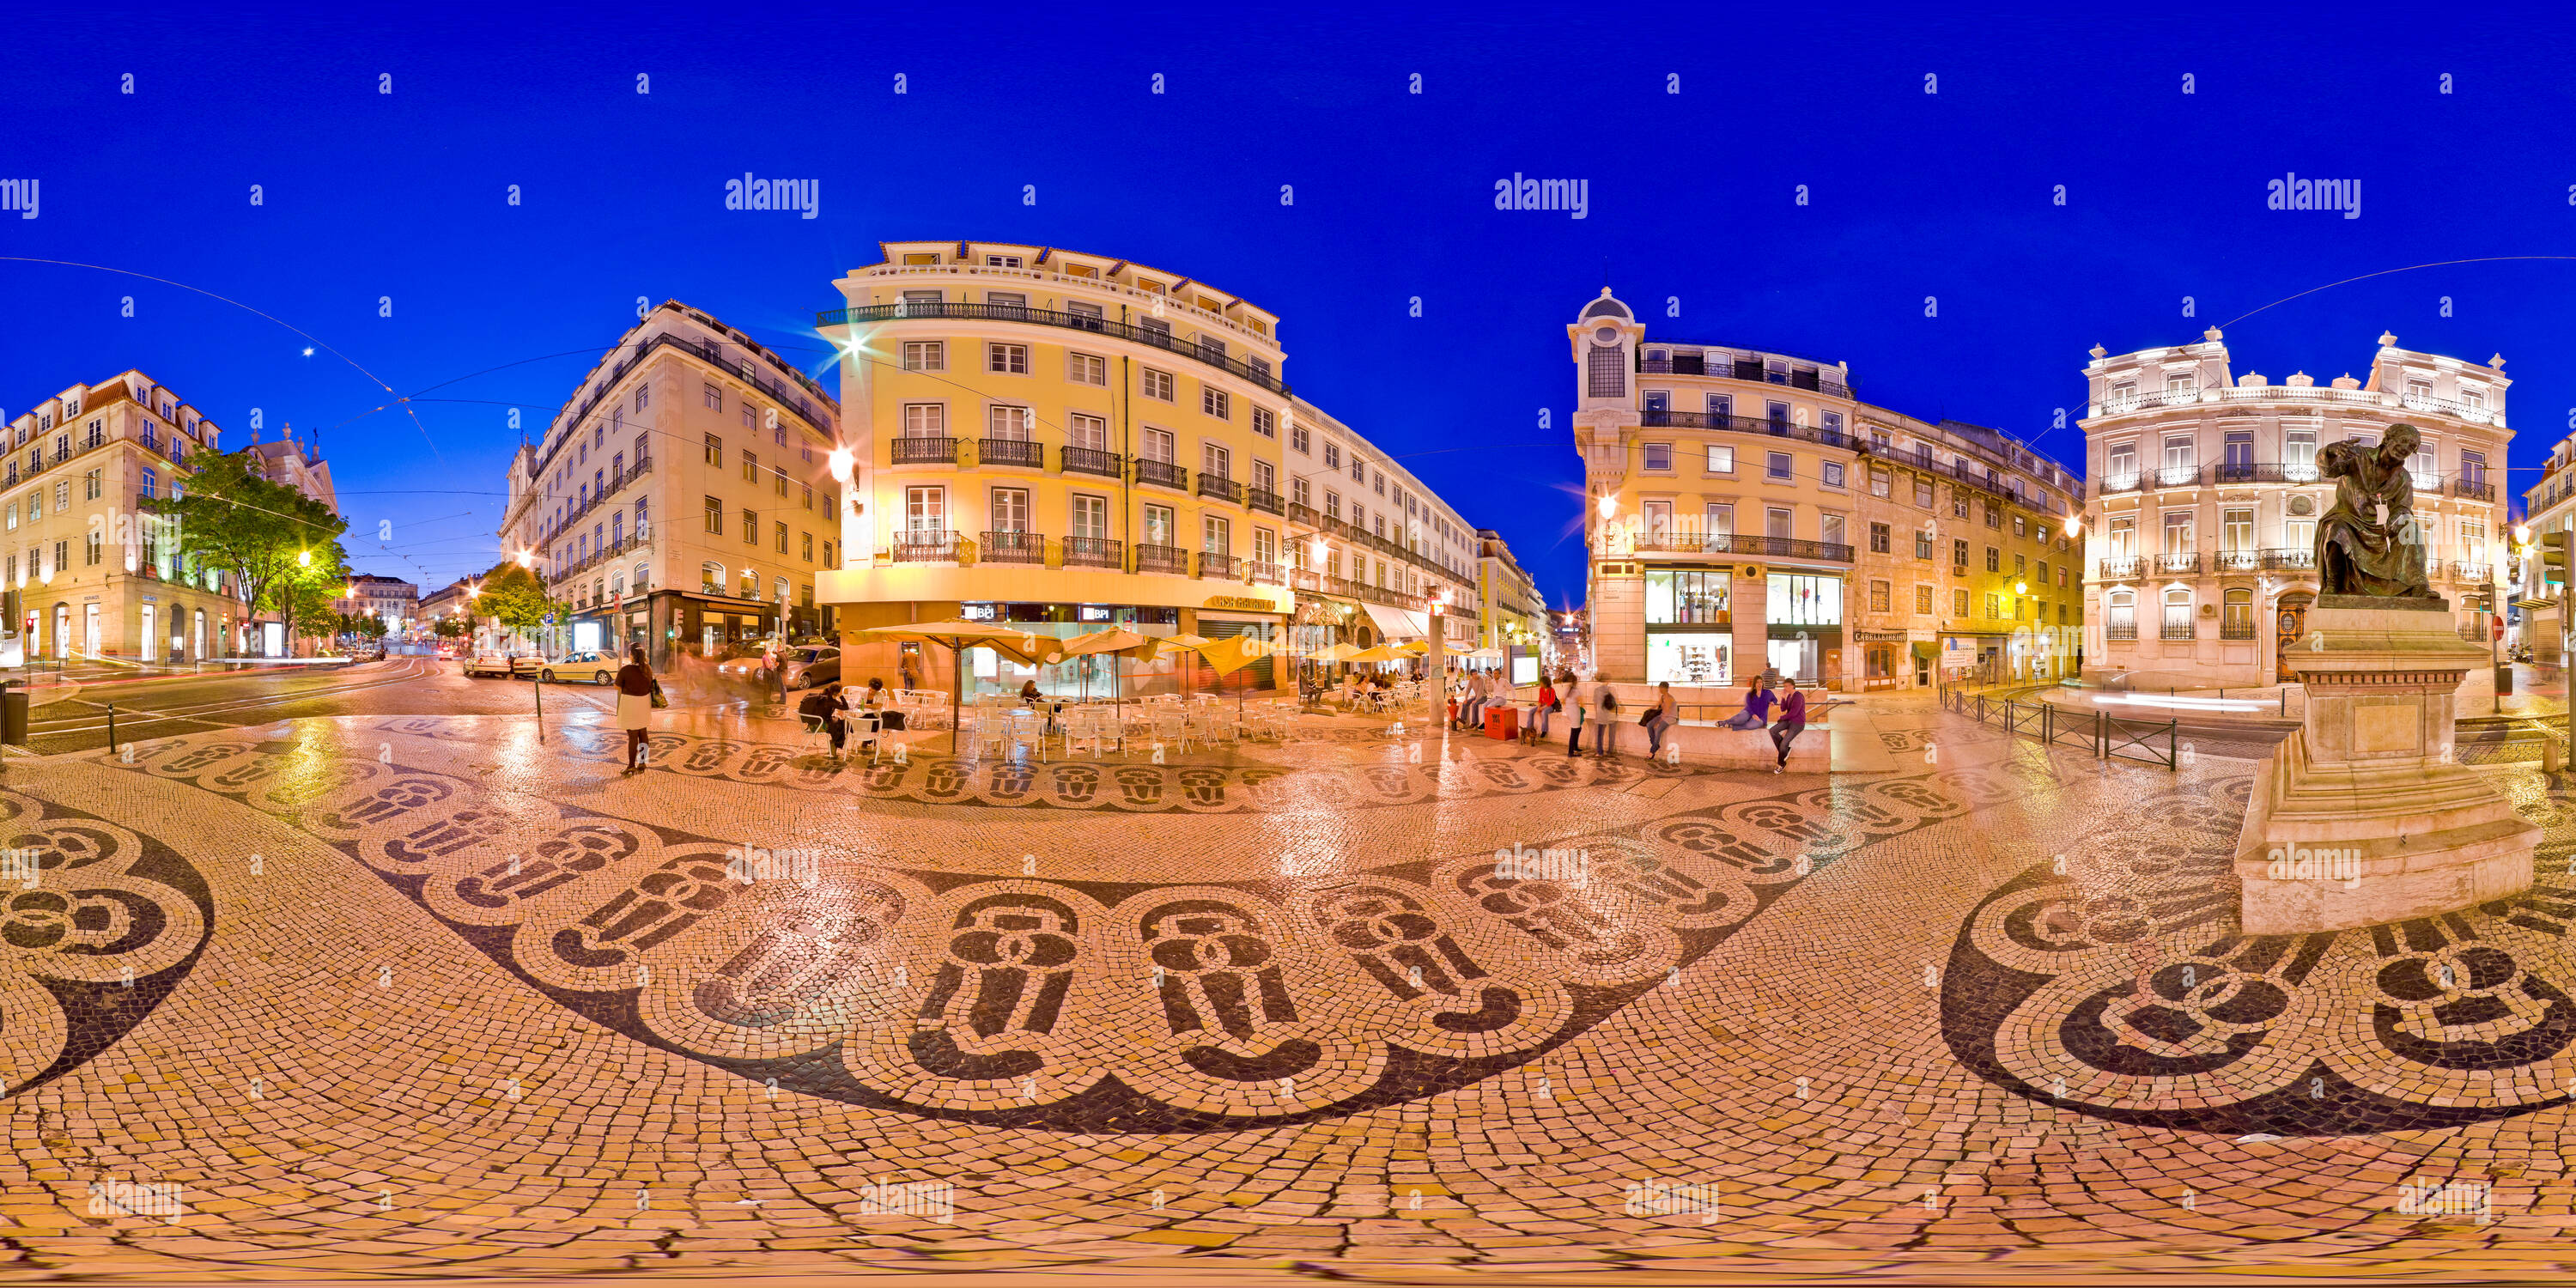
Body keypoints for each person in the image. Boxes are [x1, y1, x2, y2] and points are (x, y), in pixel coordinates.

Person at [613, 646, 659, 774]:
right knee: (643, 733)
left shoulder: (626, 670)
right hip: (644, 703)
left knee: (633, 736)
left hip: (630, 704)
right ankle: (643, 763)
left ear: (632, 655)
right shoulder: (647, 669)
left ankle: (631, 765)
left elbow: (617, 686)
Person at [798, 682, 847, 761]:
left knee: (837, 722)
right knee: (841, 724)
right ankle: (833, 746)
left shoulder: (822, 697)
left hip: (812, 725)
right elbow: (845, 707)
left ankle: (833, 744)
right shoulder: (830, 700)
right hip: (819, 727)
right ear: (836, 692)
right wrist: (841, 696)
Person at [1771, 677, 1807, 773]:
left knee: (1784, 742)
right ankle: (1785, 750)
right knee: (1772, 731)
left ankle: (1781, 764)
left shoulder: (1798, 696)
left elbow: (1794, 713)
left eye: (1787, 686)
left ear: (1792, 685)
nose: (1786, 688)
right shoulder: (1789, 696)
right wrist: (1783, 698)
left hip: (1798, 723)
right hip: (1789, 721)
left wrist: (1781, 718)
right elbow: (1783, 708)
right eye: (1784, 686)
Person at [1646, 681, 1678, 756]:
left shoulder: (1669, 698)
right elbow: (1657, 704)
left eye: (1660, 688)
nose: (1659, 689)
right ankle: (1655, 745)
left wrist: (1659, 721)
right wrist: (1648, 710)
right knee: (1649, 725)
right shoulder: (1663, 696)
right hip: (1663, 715)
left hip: (1670, 717)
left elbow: (1667, 711)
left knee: (1658, 730)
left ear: (1664, 688)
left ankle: (1652, 751)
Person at [1591, 677, 1619, 755]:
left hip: (1601, 715)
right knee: (1611, 734)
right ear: (1609, 681)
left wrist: (1596, 713)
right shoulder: (1613, 689)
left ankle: (1600, 752)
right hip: (1612, 715)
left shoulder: (1597, 690)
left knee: (1600, 734)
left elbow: (1595, 703)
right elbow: (1617, 701)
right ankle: (1610, 751)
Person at [1531, 673, 1559, 741]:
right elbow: (1540, 699)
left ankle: (1544, 730)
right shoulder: (1541, 689)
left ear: (1545, 683)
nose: (1540, 684)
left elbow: (1552, 701)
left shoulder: (1552, 690)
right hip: (1543, 705)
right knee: (1531, 711)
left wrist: (1542, 708)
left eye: (1541, 682)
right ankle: (1530, 728)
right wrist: (1539, 707)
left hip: (1550, 706)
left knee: (1544, 713)